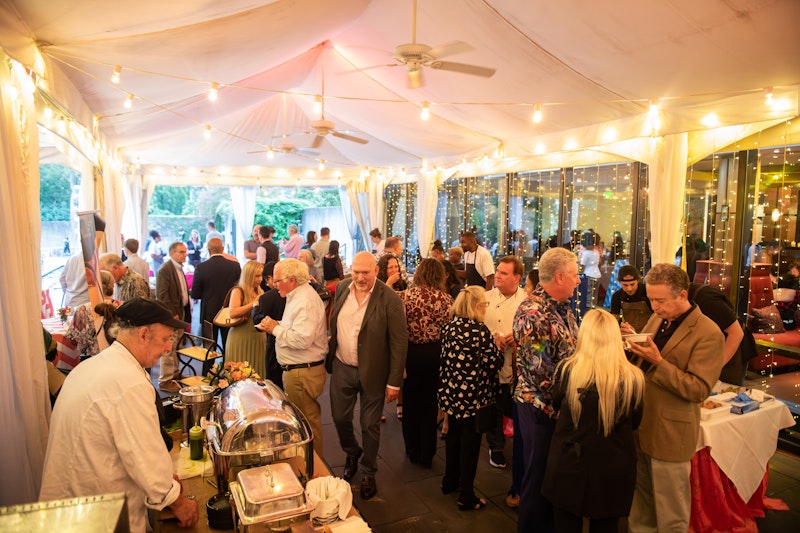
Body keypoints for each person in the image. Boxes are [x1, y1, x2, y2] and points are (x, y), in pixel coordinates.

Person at [39, 298, 199, 532]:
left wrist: (164, 480)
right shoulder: (127, 382)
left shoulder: (96, 366)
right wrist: (179, 503)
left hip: (73, 508)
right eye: (165, 339)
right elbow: (146, 460)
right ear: (143, 334)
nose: (168, 348)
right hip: (95, 516)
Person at [626, 263, 724, 533]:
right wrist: (630, 344)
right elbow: (644, 358)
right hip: (642, 422)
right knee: (642, 499)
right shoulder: (659, 318)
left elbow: (698, 389)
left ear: (682, 295)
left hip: (671, 431)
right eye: (651, 300)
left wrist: (657, 361)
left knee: (672, 509)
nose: (654, 307)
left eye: (660, 300)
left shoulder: (709, 333)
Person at [542, 309, 645, 533]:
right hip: (613, 466)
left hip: (570, 462)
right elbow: (634, 422)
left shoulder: (567, 370)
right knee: (607, 526)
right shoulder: (633, 379)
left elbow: (557, 405)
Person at [326, 251, 408, 500]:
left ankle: (369, 471)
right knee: (339, 417)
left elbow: (399, 342)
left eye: (366, 272)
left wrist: (394, 381)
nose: (360, 277)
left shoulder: (389, 298)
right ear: (351, 269)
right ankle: (352, 450)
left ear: (376, 271)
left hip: (374, 371)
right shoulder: (341, 288)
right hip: (342, 365)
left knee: (370, 424)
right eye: (356, 271)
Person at [513, 247, 581, 533]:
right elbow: (540, 374)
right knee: (538, 478)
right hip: (541, 408)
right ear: (561, 277)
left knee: (551, 478)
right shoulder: (534, 313)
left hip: (557, 408)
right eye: (576, 275)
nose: (579, 281)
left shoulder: (562, 308)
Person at [439, 286, 503, 511]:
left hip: (452, 394)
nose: (486, 307)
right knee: (470, 445)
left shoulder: (448, 327)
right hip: (473, 398)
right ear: (477, 306)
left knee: (453, 437)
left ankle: (450, 481)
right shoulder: (480, 331)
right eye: (484, 304)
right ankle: (466, 495)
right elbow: (495, 364)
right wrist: (497, 346)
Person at [256, 259, 328, 452]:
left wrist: (275, 329)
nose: (273, 284)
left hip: (302, 372)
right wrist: (277, 324)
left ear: (292, 280)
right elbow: (297, 329)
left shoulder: (304, 301)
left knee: (306, 425)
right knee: (304, 422)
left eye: (278, 280)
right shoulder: (297, 297)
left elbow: (302, 340)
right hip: (299, 370)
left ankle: (314, 470)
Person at [399, 259, 453, 468]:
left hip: (411, 353)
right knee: (431, 403)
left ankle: (412, 448)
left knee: (411, 401)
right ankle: (427, 453)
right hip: (436, 353)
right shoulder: (446, 299)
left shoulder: (405, 297)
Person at [483, 256, 527, 469]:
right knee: (495, 407)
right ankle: (496, 447)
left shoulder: (527, 302)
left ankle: (522, 445)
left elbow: (537, 339)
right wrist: (492, 336)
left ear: (516, 277)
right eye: (497, 271)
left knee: (517, 408)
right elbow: (477, 328)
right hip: (492, 363)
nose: (497, 276)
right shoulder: (485, 298)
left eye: (503, 273)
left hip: (520, 366)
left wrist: (516, 337)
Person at [688, 282, 746, 385]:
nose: (656, 306)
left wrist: (717, 366)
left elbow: (736, 333)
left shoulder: (708, 300)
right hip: (709, 352)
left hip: (729, 349)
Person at [190, 237, 242, 350]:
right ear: (222, 249)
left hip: (208, 313)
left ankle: (209, 368)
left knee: (209, 349)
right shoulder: (234, 266)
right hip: (228, 312)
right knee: (229, 348)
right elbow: (240, 289)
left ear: (209, 250)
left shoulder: (201, 267)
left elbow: (195, 294)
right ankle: (229, 367)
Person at [155, 241, 191, 392]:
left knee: (176, 345)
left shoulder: (178, 268)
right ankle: (165, 380)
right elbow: (162, 295)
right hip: (172, 316)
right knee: (168, 348)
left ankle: (174, 374)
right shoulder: (165, 269)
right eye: (181, 252)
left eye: (185, 252)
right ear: (172, 253)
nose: (185, 255)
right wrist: (171, 314)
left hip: (180, 313)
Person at [64, 271, 121, 362]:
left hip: (92, 361)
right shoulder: (123, 307)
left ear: (92, 286)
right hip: (119, 359)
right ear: (113, 285)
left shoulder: (83, 310)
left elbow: (73, 340)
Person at [225, 260, 267, 379]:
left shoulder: (260, 291)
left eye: (261, 275)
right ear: (248, 275)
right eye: (257, 276)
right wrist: (254, 303)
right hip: (241, 338)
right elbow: (233, 312)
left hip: (258, 338)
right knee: (239, 376)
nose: (260, 279)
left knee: (258, 373)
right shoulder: (238, 291)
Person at [252, 261, 286, 388]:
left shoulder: (266, 298)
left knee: (274, 388)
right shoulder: (299, 295)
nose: (264, 282)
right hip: (297, 355)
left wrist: (255, 308)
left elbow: (258, 323)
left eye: (265, 278)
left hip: (274, 347)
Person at [609, 265, 653, 334]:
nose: (629, 289)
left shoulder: (648, 292)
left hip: (649, 332)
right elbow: (614, 319)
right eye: (625, 285)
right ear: (619, 282)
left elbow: (657, 316)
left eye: (632, 284)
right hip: (628, 333)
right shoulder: (617, 296)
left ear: (638, 281)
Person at [579, 231, 601, 308]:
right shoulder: (596, 252)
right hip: (597, 274)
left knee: (588, 295)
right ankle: (593, 307)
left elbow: (582, 266)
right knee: (594, 295)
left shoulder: (586, 253)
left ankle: (588, 310)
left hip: (588, 275)